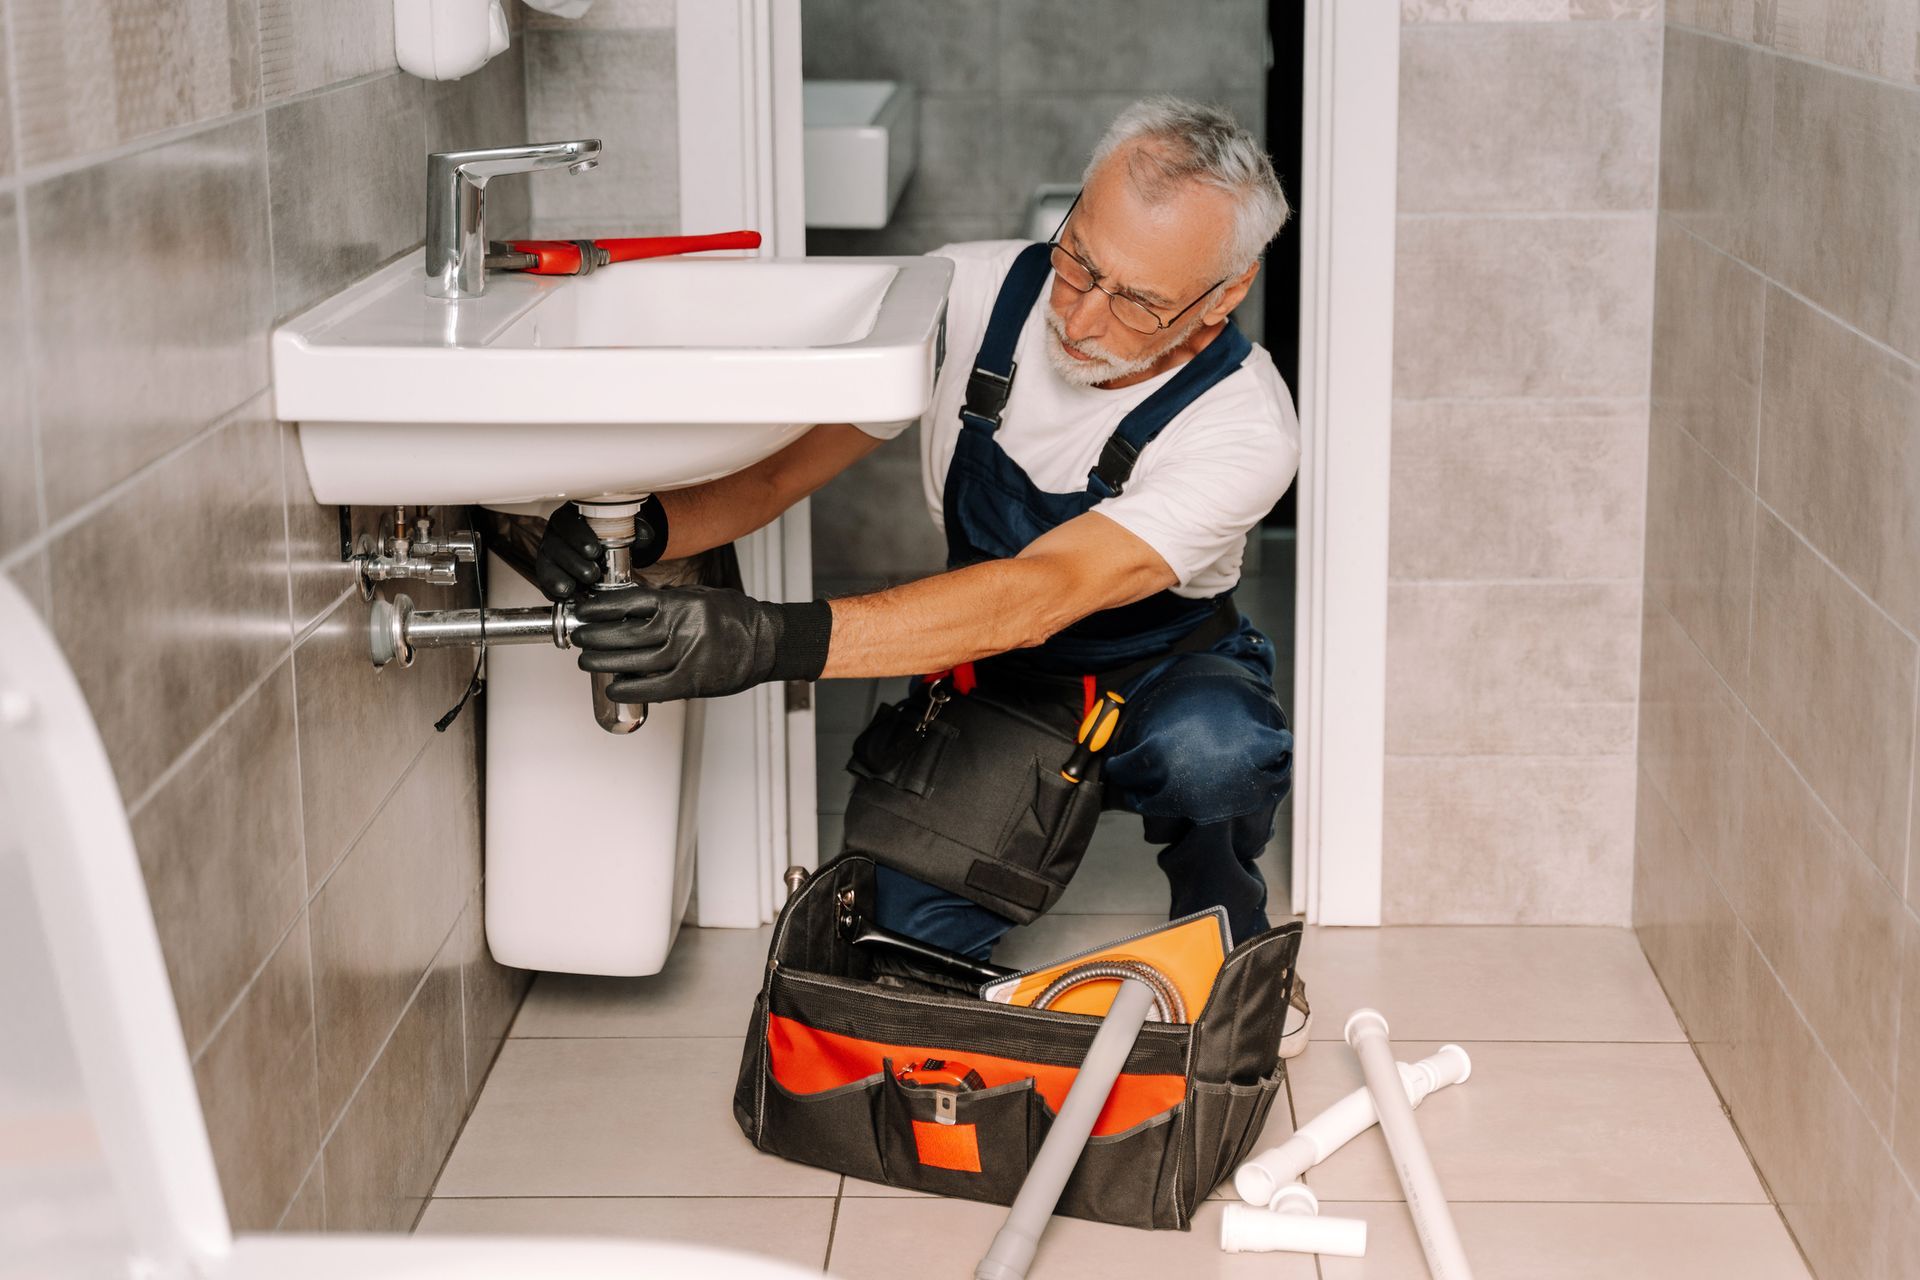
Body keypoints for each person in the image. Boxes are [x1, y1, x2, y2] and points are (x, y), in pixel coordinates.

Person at [534, 97, 1309, 1051]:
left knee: (1214, 751)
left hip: (1161, 669)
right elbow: (779, 471)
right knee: (905, 948)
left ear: (1223, 296)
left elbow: (1040, 591)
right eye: (1078, 260)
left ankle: (1224, 906)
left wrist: (766, 640)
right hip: (997, 676)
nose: (1080, 314)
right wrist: (642, 527)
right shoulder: (963, 296)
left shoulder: (1244, 425)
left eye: (1138, 301)